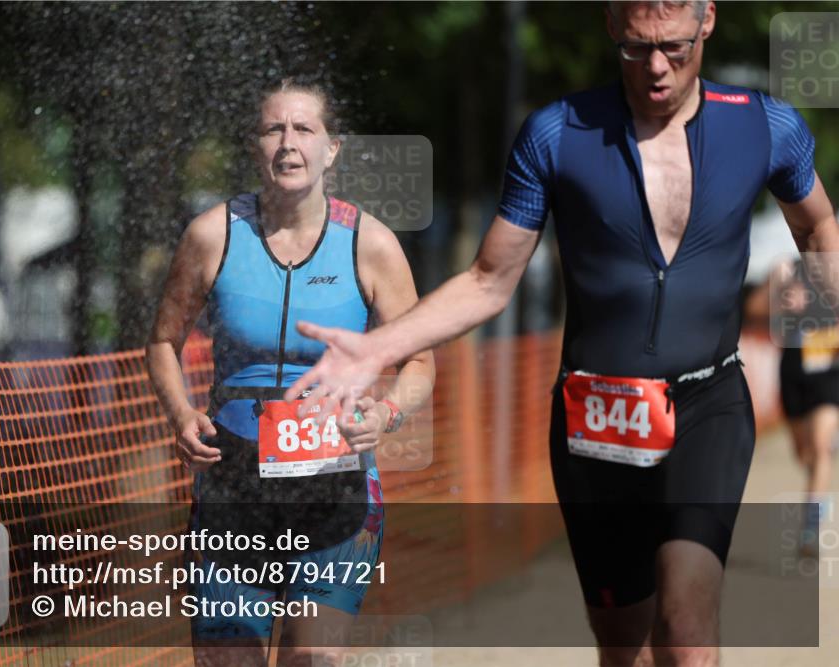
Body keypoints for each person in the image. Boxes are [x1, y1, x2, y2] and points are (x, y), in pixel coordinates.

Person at [284, 2, 839, 665]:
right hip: (595, 417)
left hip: (707, 405)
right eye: (636, 49)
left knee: (688, 636)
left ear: (707, 23)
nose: (656, 67)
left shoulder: (764, 126)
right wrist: (380, 345)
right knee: (623, 643)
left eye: (674, 48)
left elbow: (817, 225)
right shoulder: (557, 133)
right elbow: (491, 278)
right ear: (611, 26)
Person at [146, 78, 434, 667]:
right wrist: (180, 415)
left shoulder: (370, 243)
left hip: (336, 493)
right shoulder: (211, 235)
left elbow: (420, 358)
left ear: (333, 148)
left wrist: (386, 412)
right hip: (233, 489)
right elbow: (162, 343)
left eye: (304, 128)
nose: (288, 142)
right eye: (273, 128)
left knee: (314, 659)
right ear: (255, 145)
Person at [773, 258, 839, 556]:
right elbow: (760, 312)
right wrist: (782, 298)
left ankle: (810, 531)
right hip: (794, 370)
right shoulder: (789, 268)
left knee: (821, 446)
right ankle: (817, 488)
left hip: (829, 371)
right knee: (805, 454)